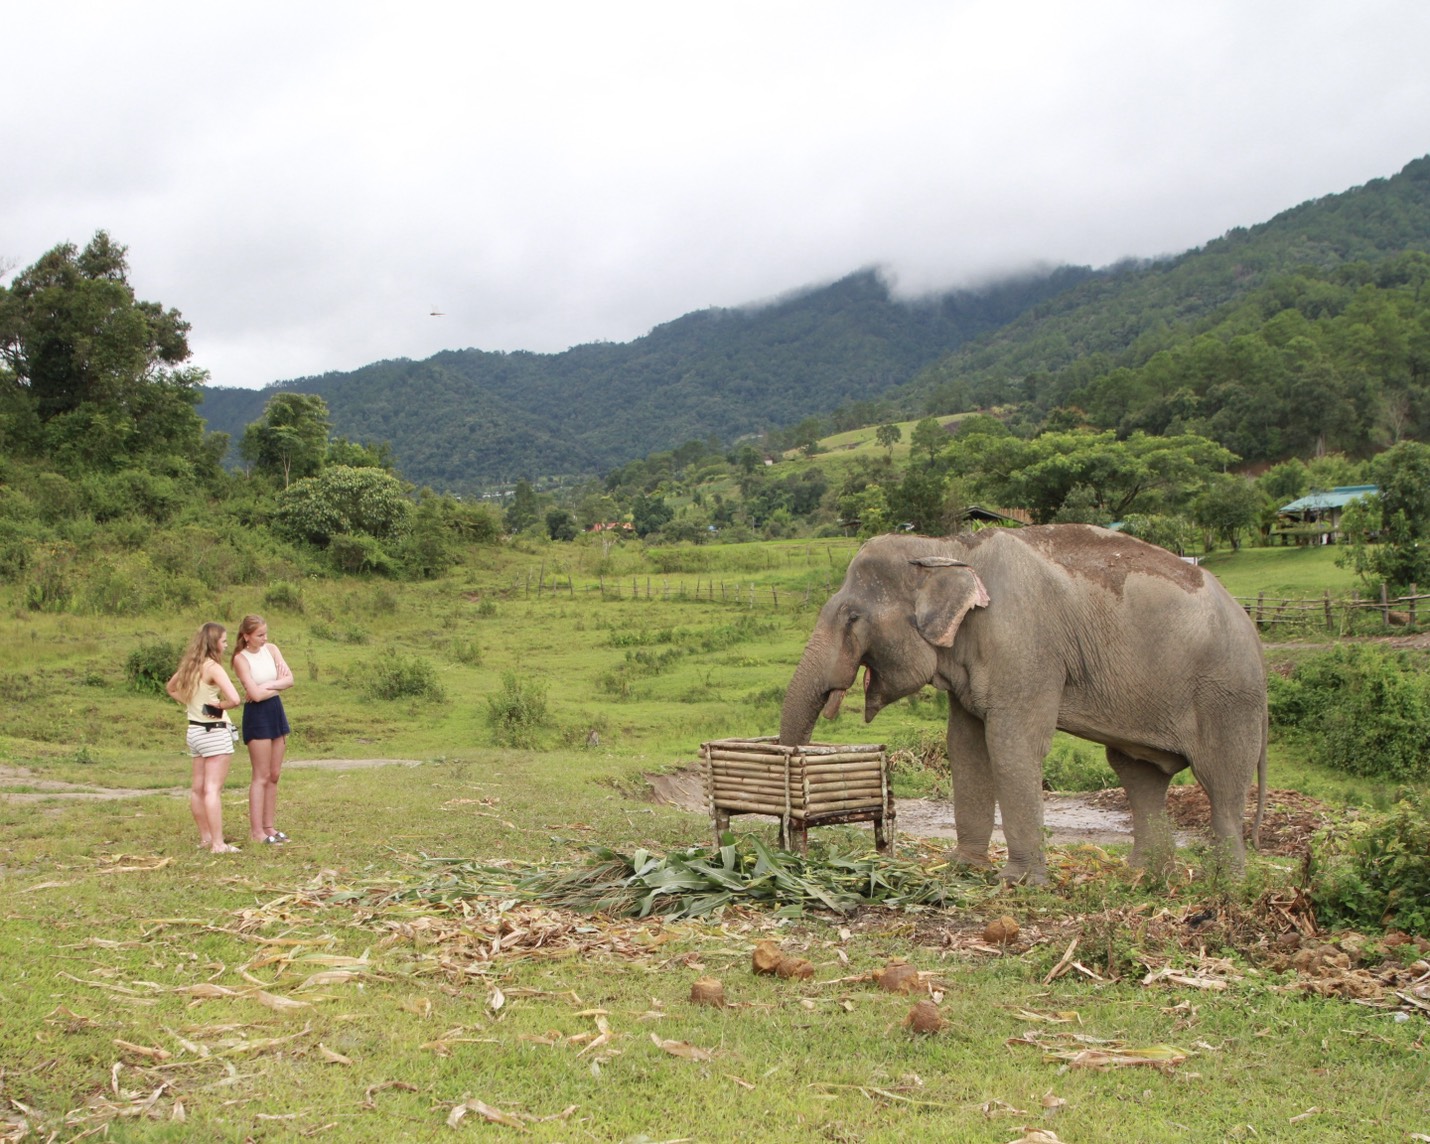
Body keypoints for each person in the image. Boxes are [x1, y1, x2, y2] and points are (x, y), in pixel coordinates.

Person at [166, 622, 243, 853]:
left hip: (195, 731)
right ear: (214, 643)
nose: (227, 644)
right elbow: (235, 699)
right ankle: (218, 844)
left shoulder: (190, 666)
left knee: (197, 789)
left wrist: (192, 704)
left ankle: (206, 838)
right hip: (214, 732)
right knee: (212, 789)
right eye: (224, 641)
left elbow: (170, 688)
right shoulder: (213, 668)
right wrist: (219, 705)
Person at [231, 614, 295, 845]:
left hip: (275, 710)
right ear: (246, 636)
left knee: (275, 774)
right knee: (261, 775)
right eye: (259, 635)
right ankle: (256, 830)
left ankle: (269, 826)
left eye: (265, 633)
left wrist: (267, 686)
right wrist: (275, 686)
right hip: (257, 716)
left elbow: (290, 679)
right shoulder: (241, 659)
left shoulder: (273, 649)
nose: (264, 638)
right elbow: (254, 696)